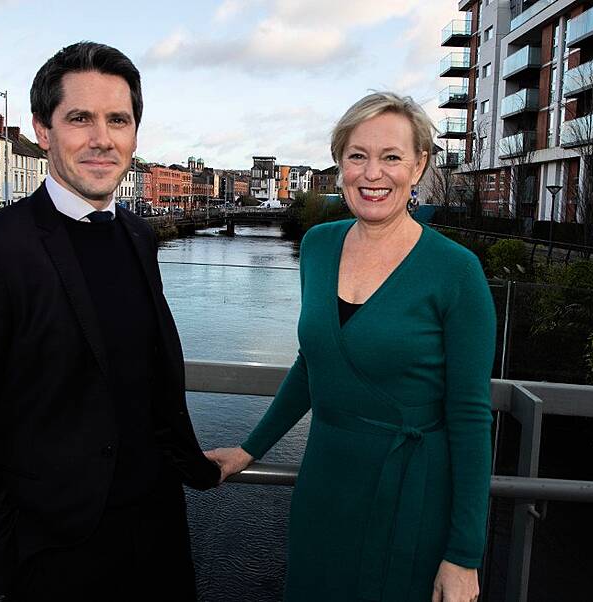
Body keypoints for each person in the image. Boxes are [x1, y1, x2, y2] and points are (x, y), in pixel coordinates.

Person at [0, 41, 219, 600]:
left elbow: (144, 376)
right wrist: (6, 558)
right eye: (79, 118)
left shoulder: (137, 235)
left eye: (118, 120)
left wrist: (196, 465)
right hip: (56, 553)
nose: (101, 138)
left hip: (158, 533)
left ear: (135, 132)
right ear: (43, 129)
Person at [206, 92, 496, 602]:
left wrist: (464, 556)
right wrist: (251, 448)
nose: (372, 173)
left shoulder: (456, 272)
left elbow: (471, 421)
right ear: (339, 163)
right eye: (357, 155)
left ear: (419, 165)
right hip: (325, 483)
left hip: (410, 493)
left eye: (391, 157)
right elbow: (313, 363)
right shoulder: (318, 245)